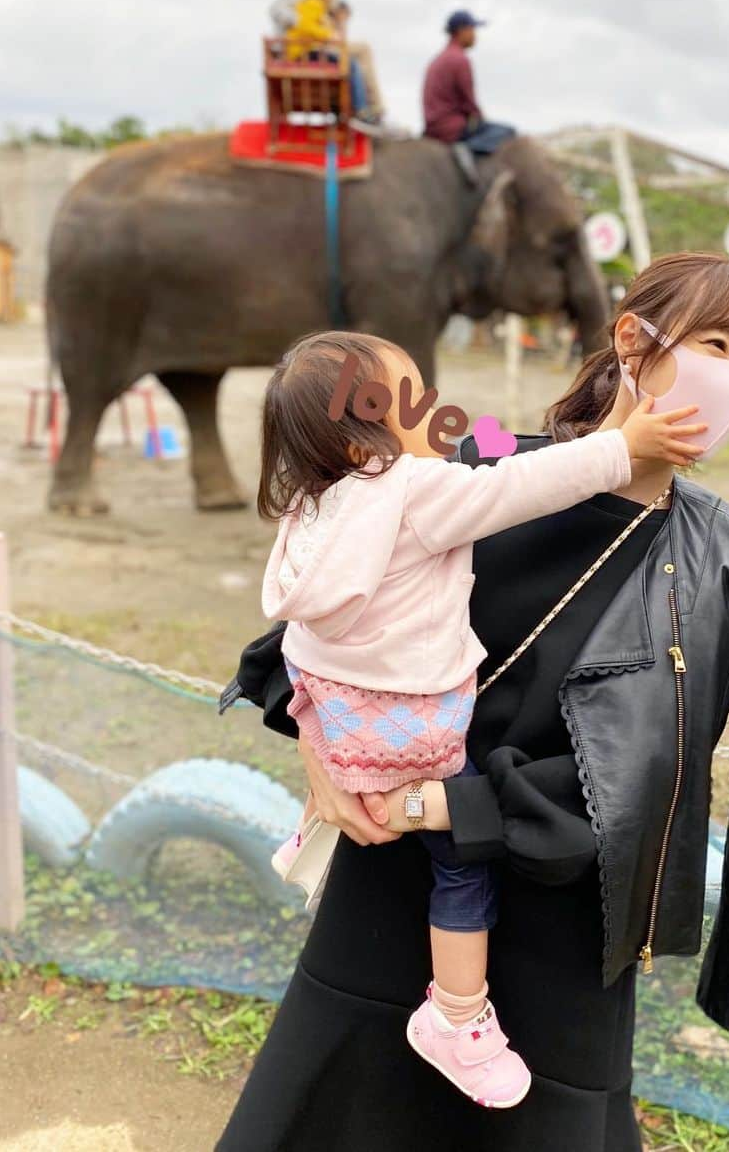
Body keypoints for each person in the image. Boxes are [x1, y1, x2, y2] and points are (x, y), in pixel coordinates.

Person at [217, 252, 729, 1152]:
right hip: (389, 898)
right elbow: (306, 632)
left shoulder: (725, 558)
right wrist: (320, 755)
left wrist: (432, 803)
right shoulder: (480, 471)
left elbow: (649, 784)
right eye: (718, 344)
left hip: (561, 933)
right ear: (632, 341)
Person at [258, 330, 703, 1109]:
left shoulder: (316, 503)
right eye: (405, 393)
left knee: (365, 759)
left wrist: (482, 437)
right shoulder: (413, 492)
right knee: (461, 863)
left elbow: (483, 447)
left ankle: (321, 822)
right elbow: (518, 484)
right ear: (366, 422)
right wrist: (623, 446)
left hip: (332, 708)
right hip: (415, 729)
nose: (424, 404)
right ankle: (457, 1014)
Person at [270, 0, 387, 119]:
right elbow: (278, 10)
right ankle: (371, 108)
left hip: (312, 43)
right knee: (361, 52)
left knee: (357, 54)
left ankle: (369, 107)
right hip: (302, 47)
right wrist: (310, 29)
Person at [422, 10, 517, 184]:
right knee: (508, 131)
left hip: (432, 128)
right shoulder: (460, 60)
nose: (475, 35)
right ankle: (468, 149)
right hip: (452, 129)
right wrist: (480, 119)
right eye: (473, 29)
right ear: (461, 31)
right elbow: (469, 104)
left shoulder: (437, 60)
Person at [285, 0, 382, 130]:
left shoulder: (320, 8)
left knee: (347, 61)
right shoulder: (313, 2)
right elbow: (304, 25)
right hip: (305, 53)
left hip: (311, 51)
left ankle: (356, 108)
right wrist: (328, 35)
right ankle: (361, 110)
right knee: (351, 65)